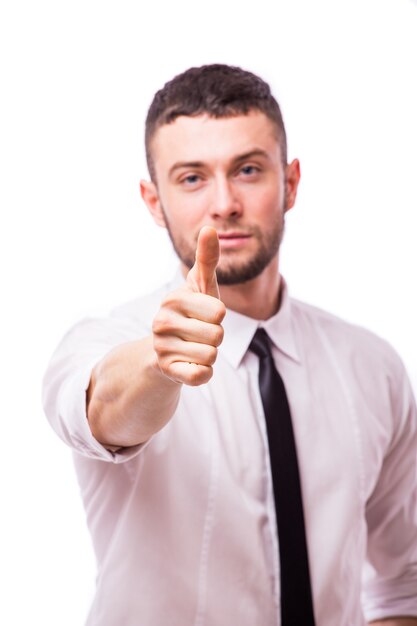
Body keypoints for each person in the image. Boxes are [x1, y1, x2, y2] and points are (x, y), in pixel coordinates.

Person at [42, 64, 417, 626]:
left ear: (289, 183)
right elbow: (103, 412)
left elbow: (399, 586)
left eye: (247, 170)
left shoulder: (372, 367)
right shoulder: (105, 341)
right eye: (191, 178)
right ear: (153, 200)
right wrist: (158, 363)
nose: (224, 204)